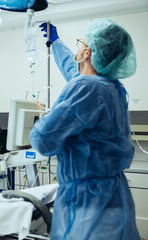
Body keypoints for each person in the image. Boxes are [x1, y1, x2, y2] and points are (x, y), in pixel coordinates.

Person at [30, 19, 140, 239]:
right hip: (115, 197)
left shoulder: (86, 88)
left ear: (88, 52)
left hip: (88, 205)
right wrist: (56, 42)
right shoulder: (113, 87)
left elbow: (43, 140)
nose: (78, 48)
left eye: (81, 43)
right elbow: (75, 71)